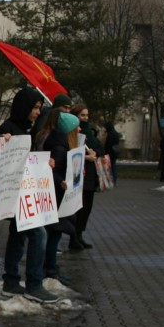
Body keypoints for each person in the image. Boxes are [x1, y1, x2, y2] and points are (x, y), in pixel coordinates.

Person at [0, 87, 58, 304]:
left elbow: (26, 160)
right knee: (39, 235)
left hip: (24, 194)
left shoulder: (24, 129)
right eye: (35, 108)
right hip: (18, 195)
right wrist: (2, 143)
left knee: (18, 235)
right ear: (24, 107)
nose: (38, 112)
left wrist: (43, 163)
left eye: (39, 108)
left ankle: (11, 281)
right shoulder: (8, 129)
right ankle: (34, 284)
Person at [35, 109, 79, 286]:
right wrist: (61, 181)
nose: (79, 130)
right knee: (54, 234)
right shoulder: (60, 148)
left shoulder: (58, 143)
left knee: (53, 233)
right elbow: (52, 171)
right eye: (76, 127)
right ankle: (50, 269)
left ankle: (50, 267)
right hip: (57, 197)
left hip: (55, 195)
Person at [69, 103, 101, 250]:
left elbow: (100, 148)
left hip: (90, 174)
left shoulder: (90, 132)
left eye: (87, 115)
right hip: (79, 173)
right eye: (82, 115)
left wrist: (95, 152)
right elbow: (71, 151)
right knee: (78, 208)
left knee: (87, 207)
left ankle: (80, 234)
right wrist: (86, 157)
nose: (85, 118)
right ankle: (74, 237)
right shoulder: (73, 131)